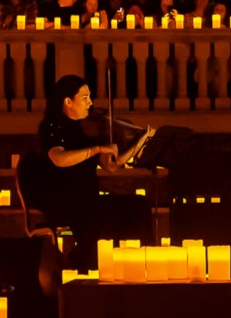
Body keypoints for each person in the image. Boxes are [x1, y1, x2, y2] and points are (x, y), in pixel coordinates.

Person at [22, 74, 152, 255]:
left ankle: (138, 256)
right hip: (66, 202)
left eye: (89, 97)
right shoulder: (52, 126)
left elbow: (111, 166)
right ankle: (84, 258)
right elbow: (58, 158)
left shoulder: (84, 130)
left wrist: (139, 142)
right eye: (84, 98)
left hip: (88, 200)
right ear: (68, 101)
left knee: (139, 206)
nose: (90, 103)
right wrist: (97, 149)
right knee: (98, 215)